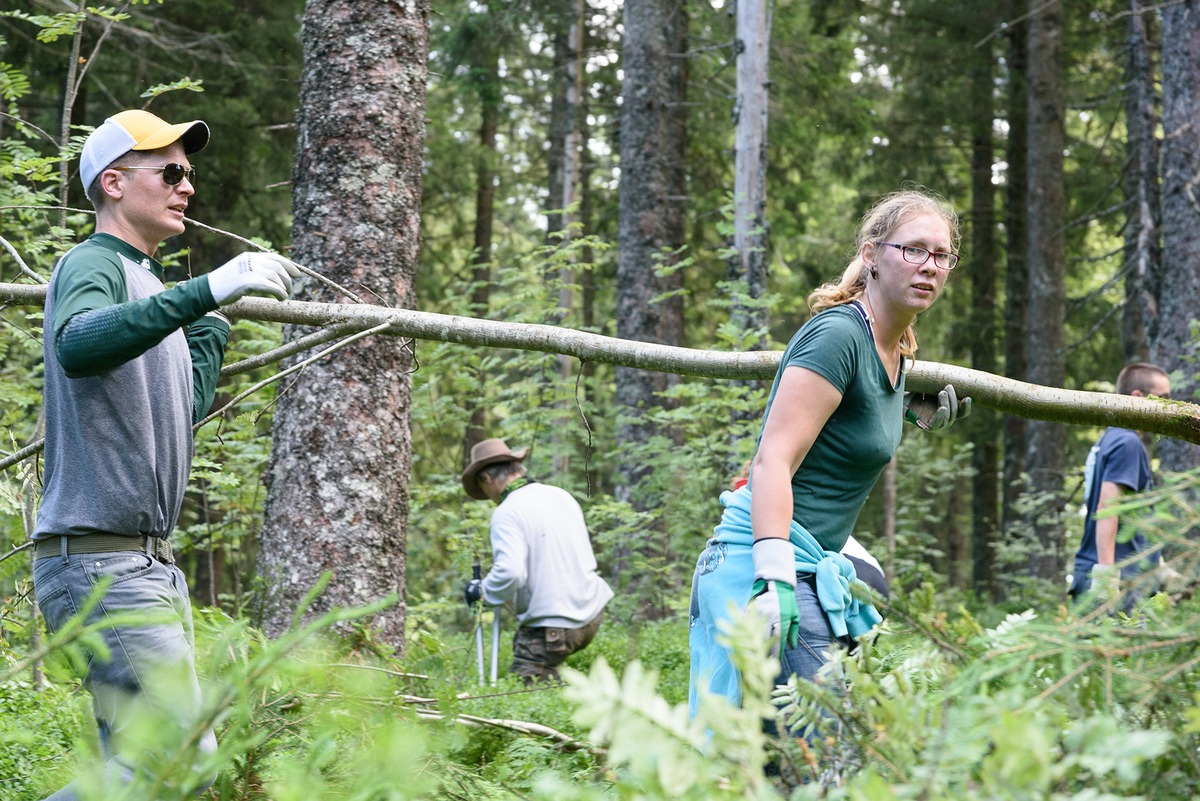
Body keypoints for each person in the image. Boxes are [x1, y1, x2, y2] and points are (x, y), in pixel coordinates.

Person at [32, 108, 299, 799]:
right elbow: (79, 343)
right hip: (101, 560)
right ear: (114, 183)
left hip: (142, 562)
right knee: (175, 758)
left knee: (136, 772)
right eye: (171, 172)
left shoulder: (150, 287)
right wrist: (207, 288)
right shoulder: (94, 263)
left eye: (189, 174)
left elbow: (179, 412)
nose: (188, 186)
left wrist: (209, 326)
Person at [688, 189, 969, 720]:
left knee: (784, 766)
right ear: (871, 255)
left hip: (811, 564)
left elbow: (845, 423)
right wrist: (772, 580)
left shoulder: (895, 347)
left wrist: (907, 412)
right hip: (763, 561)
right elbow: (774, 459)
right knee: (823, 752)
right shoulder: (838, 336)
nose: (929, 266)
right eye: (912, 250)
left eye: (941, 255)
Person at [461, 437, 613, 682]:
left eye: (483, 490)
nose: (487, 497)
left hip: (554, 626)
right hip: (591, 614)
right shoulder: (559, 495)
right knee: (549, 680)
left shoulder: (507, 512)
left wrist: (483, 592)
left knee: (522, 691)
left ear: (487, 479)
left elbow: (511, 572)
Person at [1068, 362, 1171, 608]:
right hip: (1116, 581)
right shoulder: (1127, 443)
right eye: (1164, 398)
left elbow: (1131, 515)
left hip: (1104, 573)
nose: (1171, 407)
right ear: (1137, 397)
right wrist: (1106, 576)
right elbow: (1108, 507)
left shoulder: (1111, 438)